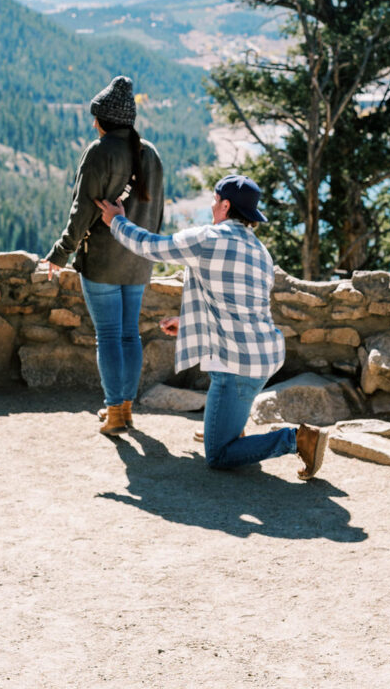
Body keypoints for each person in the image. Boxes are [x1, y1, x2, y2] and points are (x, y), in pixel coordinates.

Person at [96, 174, 328, 480]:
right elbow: (237, 304)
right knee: (223, 386)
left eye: (215, 200)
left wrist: (116, 221)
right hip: (264, 354)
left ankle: (296, 439)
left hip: (239, 365)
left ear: (226, 205)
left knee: (218, 455)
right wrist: (188, 321)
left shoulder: (208, 239)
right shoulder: (260, 251)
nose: (211, 205)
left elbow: (151, 246)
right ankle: (235, 425)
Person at [42, 75, 164, 436]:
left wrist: (60, 253)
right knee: (130, 335)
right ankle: (124, 408)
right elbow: (156, 212)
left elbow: (82, 213)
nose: (93, 122)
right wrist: (150, 249)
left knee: (109, 336)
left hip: (104, 261)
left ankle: (114, 412)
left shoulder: (100, 152)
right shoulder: (151, 153)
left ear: (102, 119)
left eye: (94, 116)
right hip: (139, 257)